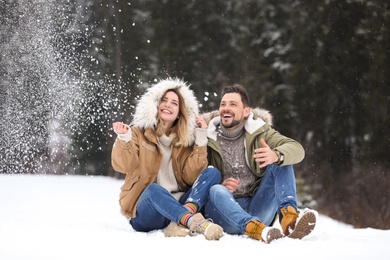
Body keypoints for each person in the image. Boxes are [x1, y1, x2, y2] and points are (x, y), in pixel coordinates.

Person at [201, 83, 317, 243]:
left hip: (257, 208)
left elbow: (297, 149)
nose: (226, 108)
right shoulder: (206, 135)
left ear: (246, 111)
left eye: (233, 104)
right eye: (223, 104)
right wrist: (220, 183)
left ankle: (289, 219)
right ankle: (251, 226)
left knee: (281, 161)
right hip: (223, 213)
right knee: (216, 189)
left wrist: (275, 155)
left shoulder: (259, 131)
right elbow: (195, 175)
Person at [111, 78, 223, 240]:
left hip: (178, 205)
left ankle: (180, 219)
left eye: (174, 103)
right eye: (164, 100)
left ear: (180, 113)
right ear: (155, 105)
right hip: (147, 211)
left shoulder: (185, 140)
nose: (168, 105)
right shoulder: (137, 132)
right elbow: (123, 166)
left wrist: (200, 139)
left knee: (212, 173)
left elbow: (192, 177)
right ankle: (191, 221)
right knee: (153, 189)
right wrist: (124, 139)